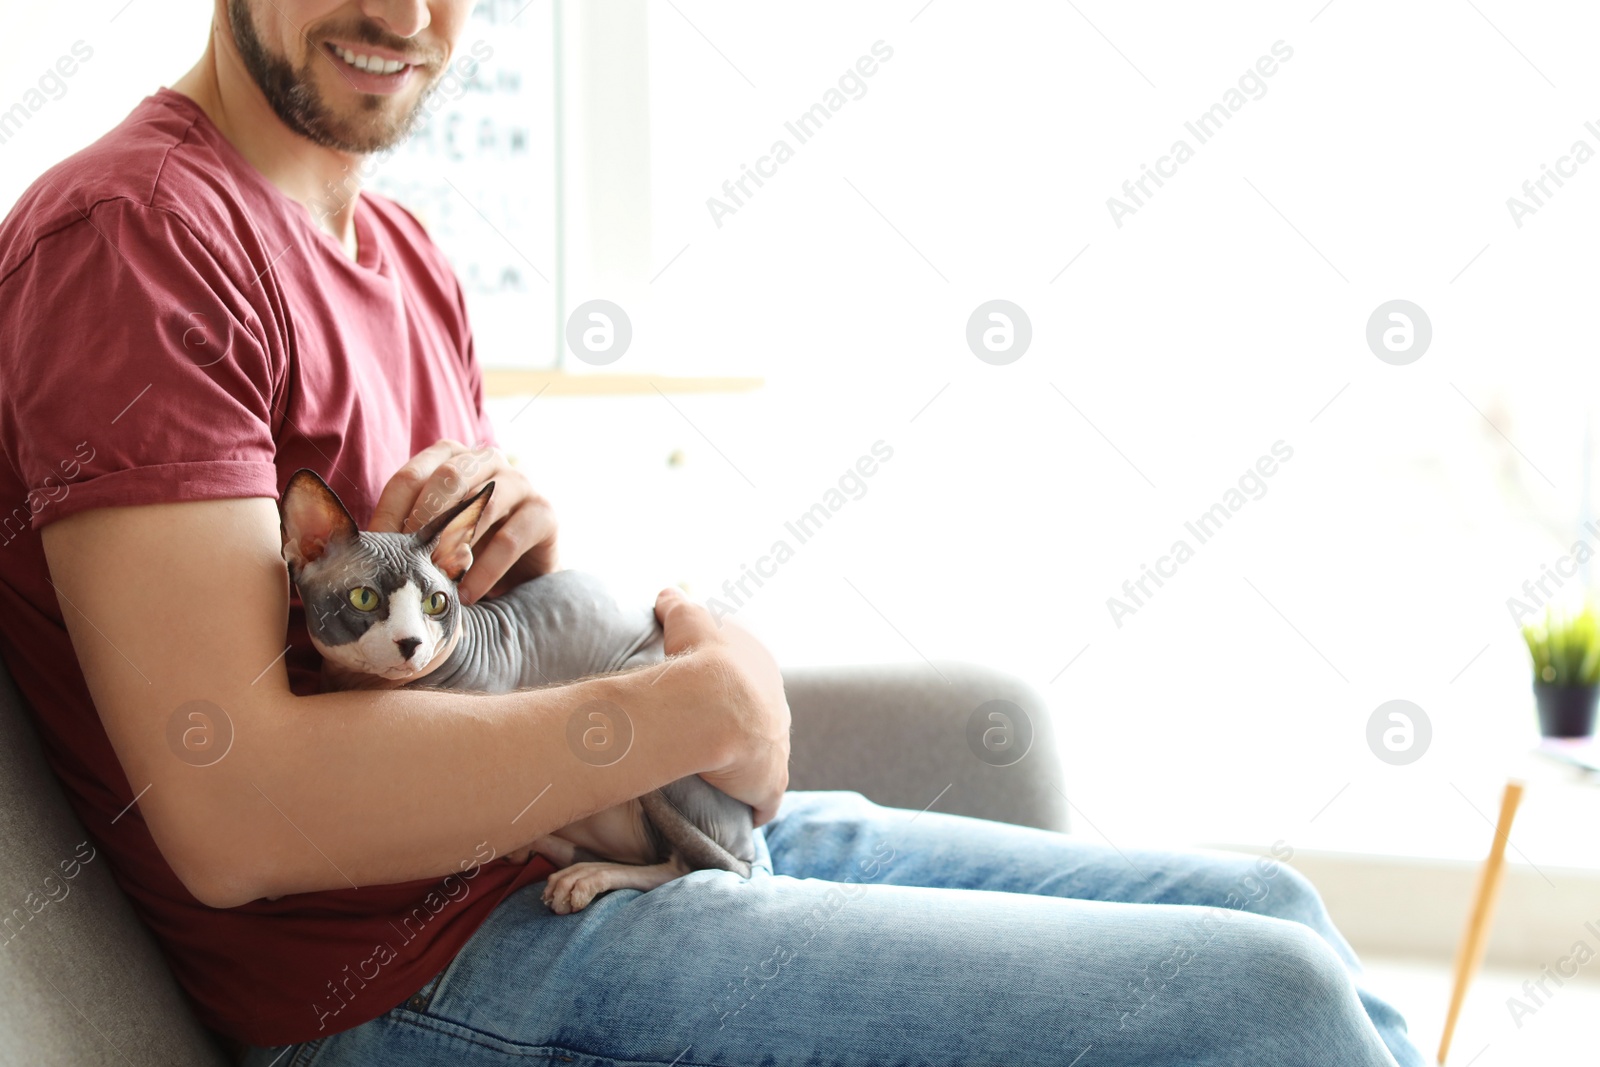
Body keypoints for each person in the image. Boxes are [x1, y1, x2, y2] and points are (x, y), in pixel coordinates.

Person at [0, 2, 1425, 1064]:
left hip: (601, 861)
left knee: (1276, 909)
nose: (402, 16)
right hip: (411, 979)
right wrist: (690, 710)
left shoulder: (408, 261)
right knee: (1269, 1012)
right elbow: (235, 808)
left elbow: (450, 666)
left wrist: (536, 581)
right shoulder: (135, 239)